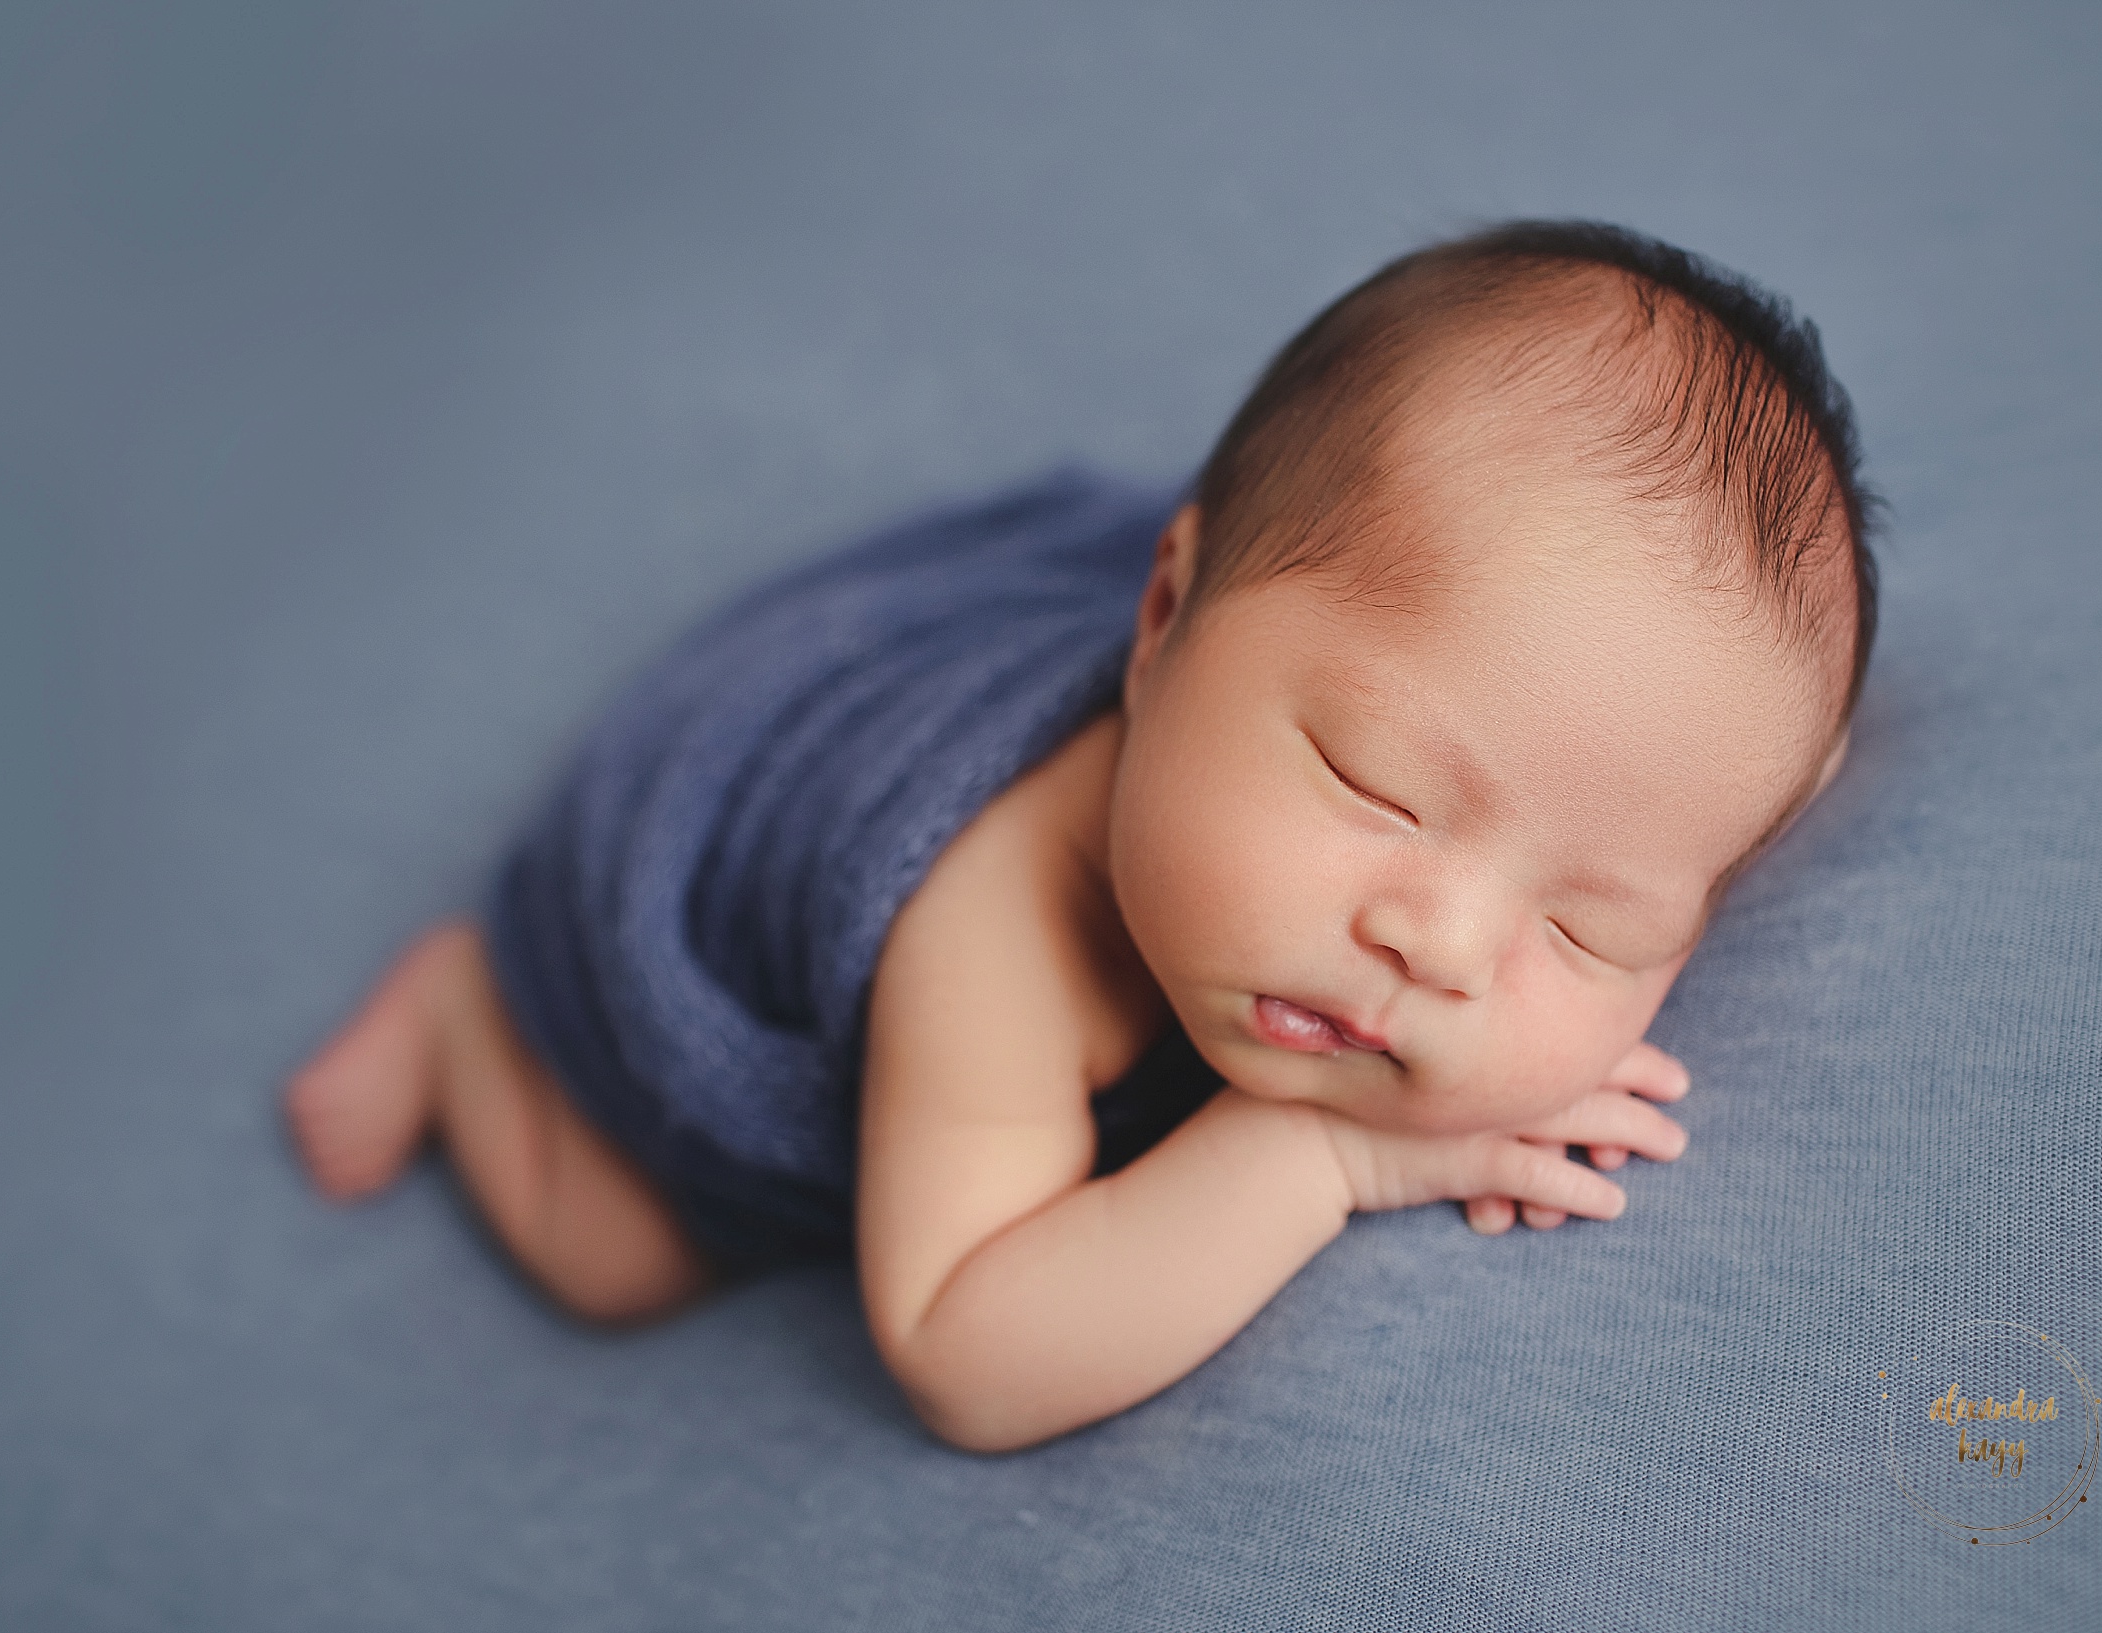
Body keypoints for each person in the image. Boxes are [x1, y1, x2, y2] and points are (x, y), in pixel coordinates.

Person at [286, 220, 1877, 1453]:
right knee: (614, 1256)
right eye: (1377, 783)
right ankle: (463, 1004)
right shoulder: (993, 933)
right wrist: (1312, 1149)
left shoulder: (1361, 762)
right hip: (720, 836)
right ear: (1163, 612)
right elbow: (961, 1350)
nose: (1443, 946)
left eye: (1587, 928)